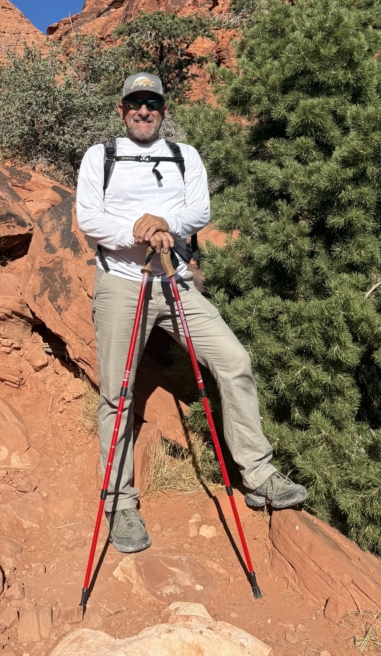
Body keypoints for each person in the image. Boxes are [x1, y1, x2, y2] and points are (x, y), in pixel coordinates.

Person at [75, 71, 308, 553]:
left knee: (234, 362)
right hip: (122, 285)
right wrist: (137, 229)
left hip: (175, 282)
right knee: (117, 394)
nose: (144, 111)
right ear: (122, 110)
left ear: (163, 110)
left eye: (152, 103)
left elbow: (199, 211)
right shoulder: (101, 156)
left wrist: (166, 221)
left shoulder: (185, 156)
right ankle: (120, 501)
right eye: (135, 103)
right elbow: (89, 218)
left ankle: (257, 474)